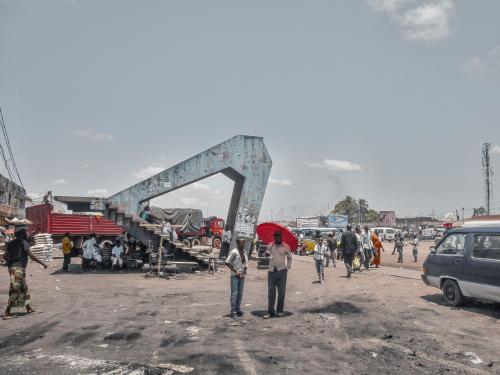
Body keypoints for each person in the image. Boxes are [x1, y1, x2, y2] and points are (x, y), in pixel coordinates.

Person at [2, 227, 47, 319]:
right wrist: (42, 263)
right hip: (18, 269)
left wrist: (12, 260)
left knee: (23, 287)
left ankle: (28, 307)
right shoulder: (23, 242)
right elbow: (31, 255)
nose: (26, 234)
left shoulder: (10, 243)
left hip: (12, 268)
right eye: (25, 233)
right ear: (23, 235)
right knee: (15, 289)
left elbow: (5, 256)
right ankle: (7, 312)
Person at [263, 230, 292, 319]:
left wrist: (288, 267)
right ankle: (270, 312)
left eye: (279, 236)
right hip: (271, 271)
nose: (277, 238)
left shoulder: (286, 246)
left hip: (282, 272)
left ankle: (279, 311)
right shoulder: (270, 245)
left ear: (281, 237)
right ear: (274, 237)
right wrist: (266, 254)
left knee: (281, 292)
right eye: (275, 236)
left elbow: (289, 257)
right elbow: (265, 255)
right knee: (271, 293)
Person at [225, 237, 248, 318]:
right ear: (238, 243)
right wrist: (236, 271)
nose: (244, 244)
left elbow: (245, 263)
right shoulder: (234, 252)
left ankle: (238, 309)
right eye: (242, 243)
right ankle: (233, 311)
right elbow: (227, 262)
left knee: (240, 294)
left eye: (244, 242)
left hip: (242, 276)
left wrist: (245, 270)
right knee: (234, 294)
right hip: (235, 276)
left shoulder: (244, 252)